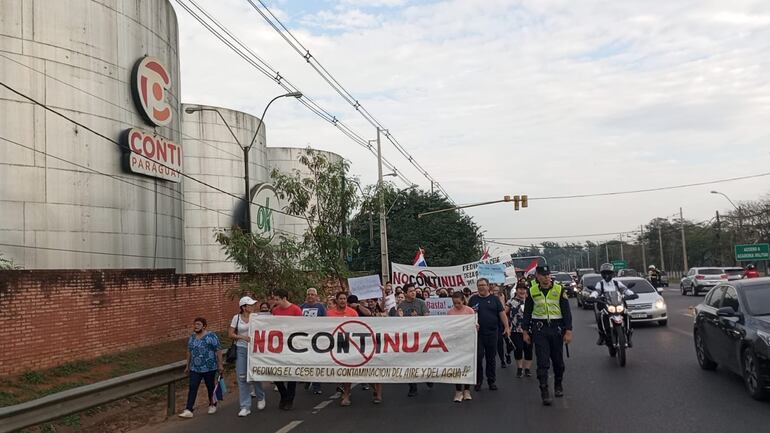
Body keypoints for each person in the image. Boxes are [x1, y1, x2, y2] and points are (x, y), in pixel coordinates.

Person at [522, 266, 573, 406]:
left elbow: (566, 312)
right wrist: (525, 331)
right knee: (543, 362)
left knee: (558, 362)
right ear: (537, 276)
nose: (546, 277)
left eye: (548, 275)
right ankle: (544, 390)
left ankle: (558, 384)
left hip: (556, 329)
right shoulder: (532, 291)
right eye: (543, 275)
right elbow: (527, 312)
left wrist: (568, 330)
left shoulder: (559, 289)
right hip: (540, 329)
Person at [468, 278, 511, 391]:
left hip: (492, 333)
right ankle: (478, 381)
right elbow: (467, 313)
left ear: (488, 286)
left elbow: (502, 314)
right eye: (479, 285)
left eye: (483, 285)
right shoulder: (473, 299)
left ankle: (491, 381)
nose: (481, 287)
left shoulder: (495, 299)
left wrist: (506, 327)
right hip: (478, 334)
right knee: (478, 357)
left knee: (491, 358)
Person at [390, 283, 430, 396]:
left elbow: (428, 318)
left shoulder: (421, 303)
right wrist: (400, 317)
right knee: (409, 362)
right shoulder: (401, 305)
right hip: (407, 339)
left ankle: (428, 378)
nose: (413, 292)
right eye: (411, 291)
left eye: (414, 290)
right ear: (405, 293)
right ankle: (413, 387)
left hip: (421, 337)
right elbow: (397, 322)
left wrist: (417, 318)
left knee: (423, 361)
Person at [228, 297, 266, 417]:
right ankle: (245, 406)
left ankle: (261, 397)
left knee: (255, 373)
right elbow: (231, 334)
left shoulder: (256, 317)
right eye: (250, 305)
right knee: (242, 376)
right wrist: (242, 337)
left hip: (255, 350)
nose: (253, 306)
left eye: (253, 304)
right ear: (243, 307)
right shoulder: (236, 318)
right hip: (241, 349)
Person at [179, 317, 223, 418]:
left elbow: (218, 350)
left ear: (204, 326)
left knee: (210, 387)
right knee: (193, 387)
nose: (196, 326)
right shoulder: (192, 337)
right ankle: (189, 409)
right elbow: (189, 351)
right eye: (194, 324)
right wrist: (187, 366)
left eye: (198, 324)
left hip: (209, 367)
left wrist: (220, 364)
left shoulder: (211, 336)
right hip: (195, 368)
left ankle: (212, 404)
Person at [327, 292, 362, 405]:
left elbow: (357, 328)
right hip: (333, 345)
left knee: (347, 370)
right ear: (336, 300)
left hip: (348, 345)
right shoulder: (329, 314)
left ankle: (346, 395)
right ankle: (342, 388)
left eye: (344, 299)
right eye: (340, 299)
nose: (343, 301)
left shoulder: (353, 313)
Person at [271, 289, 302, 410]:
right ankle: (283, 394)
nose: (275, 301)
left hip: (292, 345)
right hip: (278, 345)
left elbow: (301, 327)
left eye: (277, 299)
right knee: (276, 372)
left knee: (291, 373)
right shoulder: (275, 310)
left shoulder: (296, 310)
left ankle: (289, 399)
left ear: (284, 298)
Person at [590, 263, 634, 347]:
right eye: (605, 273)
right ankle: (602, 335)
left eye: (609, 273)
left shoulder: (617, 283)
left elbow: (625, 290)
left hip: (617, 303)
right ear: (602, 274)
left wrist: (632, 294)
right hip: (605, 304)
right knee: (600, 316)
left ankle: (629, 335)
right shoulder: (600, 284)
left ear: (612, 273)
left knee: (627, 314)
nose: (607, 275)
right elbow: (597, 291)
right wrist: (593, 296)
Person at [448, 292, 476, 403]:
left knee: (467, 365)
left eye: (459, 303)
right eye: (454, 303)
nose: (457, 305)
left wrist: (475, 326)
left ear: (463, 301)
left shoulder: (469, 311)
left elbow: (474, 324)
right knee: (457, 366)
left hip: (468, 342)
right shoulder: (450, 312)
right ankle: (458, 391)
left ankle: (467, 390)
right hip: (456, 343)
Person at [508, 282, 533, 378]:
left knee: (528, 349)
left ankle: (527, 369)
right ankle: (519, 368)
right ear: (517, 290)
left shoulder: (530, 301)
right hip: (515, 329)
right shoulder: (511, 302)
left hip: (529, 329)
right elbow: (503, 312)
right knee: (518, 348)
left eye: (524, 289)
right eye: (520, 289)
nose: (522, 291)